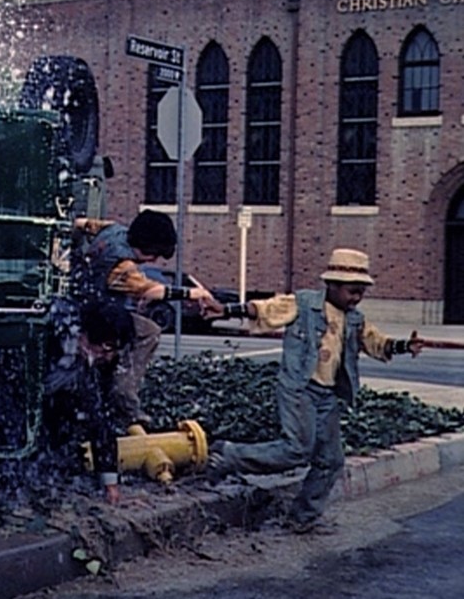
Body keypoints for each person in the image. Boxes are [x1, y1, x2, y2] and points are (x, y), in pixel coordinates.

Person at [201, 248, 424, 534]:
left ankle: (302, 518)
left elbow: (375, 342)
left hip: (327, 395)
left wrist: (405, 346)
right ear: (331, 285)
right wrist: (227, 310)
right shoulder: (304, 304)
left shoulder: (355, 319)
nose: (356, 298)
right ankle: (228, 455)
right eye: (351, 291)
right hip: (299, 388)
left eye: (361, 293)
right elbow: (266, 309)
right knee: (296, 450)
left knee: (331, 461)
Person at [73, 210, 212, 425]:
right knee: (149, 332)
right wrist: (192, 293)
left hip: (84, 304)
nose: (155, 260)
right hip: (97, 316)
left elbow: (81, 224)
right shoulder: (122, 266)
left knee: (128, 327)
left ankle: (108, 381)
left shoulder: (112, 229)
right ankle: (124, 396)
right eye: (154, 254)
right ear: (146, 246)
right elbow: (149, 291)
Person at [44, 299, 136, 505]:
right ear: (84, 336)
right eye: (107, 346)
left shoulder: (100, 362)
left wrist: (109, 481)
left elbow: (102, 415)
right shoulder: (50, 340)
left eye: (114, 350)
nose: (109, 355)